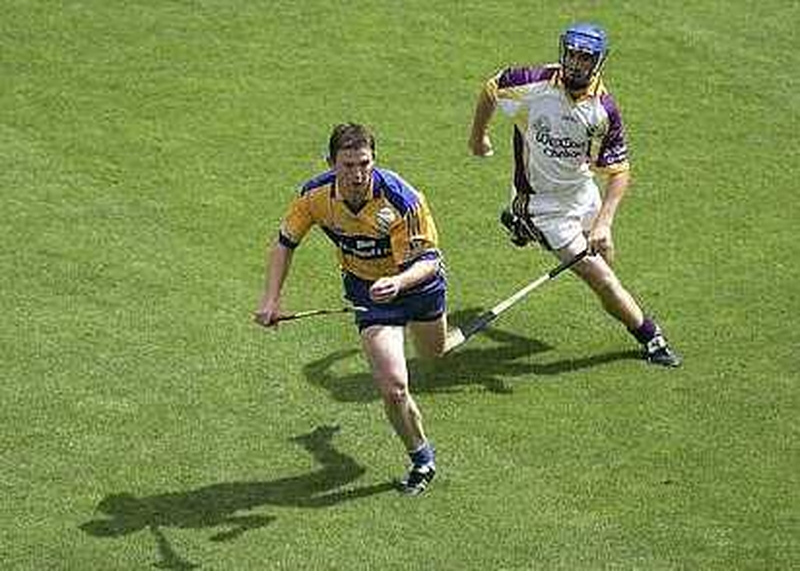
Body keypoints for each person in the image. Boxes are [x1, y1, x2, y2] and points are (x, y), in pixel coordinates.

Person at [254, 123, 457, 495]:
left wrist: (398, 282)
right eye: (347, 165)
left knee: (434, 353)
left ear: (374, 160)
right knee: (394, 387)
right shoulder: (314, 196)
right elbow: (284, 243)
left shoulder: (402, 199)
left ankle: (442, 335)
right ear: (331, 163)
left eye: (364, 163)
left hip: (418, 285)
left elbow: (430, 261)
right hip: (367, 292)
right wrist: (271, 299)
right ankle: (421, 458)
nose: (357, 174)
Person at [468, 22, 681, 367]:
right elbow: (492, 88)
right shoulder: (532, 83)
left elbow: (619, 171)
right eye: (572, 54)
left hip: (582, 193)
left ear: (598, 62)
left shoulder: (603, 110)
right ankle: (650, 336)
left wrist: (604, 223)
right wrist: (478, 138)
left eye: (585, 58)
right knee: (603, 279)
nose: (575, 63)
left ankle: (521, 227)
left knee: (606, 258)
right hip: (543, 205)